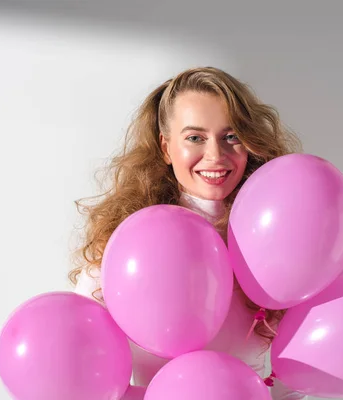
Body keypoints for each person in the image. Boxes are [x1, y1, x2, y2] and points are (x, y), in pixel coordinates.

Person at [70, 66, 306, 399]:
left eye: (231, 136)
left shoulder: (278, 238)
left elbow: (292, 380)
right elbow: (77, 359)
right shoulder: (127, 245)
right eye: (195, 137)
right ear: (166, 147)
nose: (215, 156)